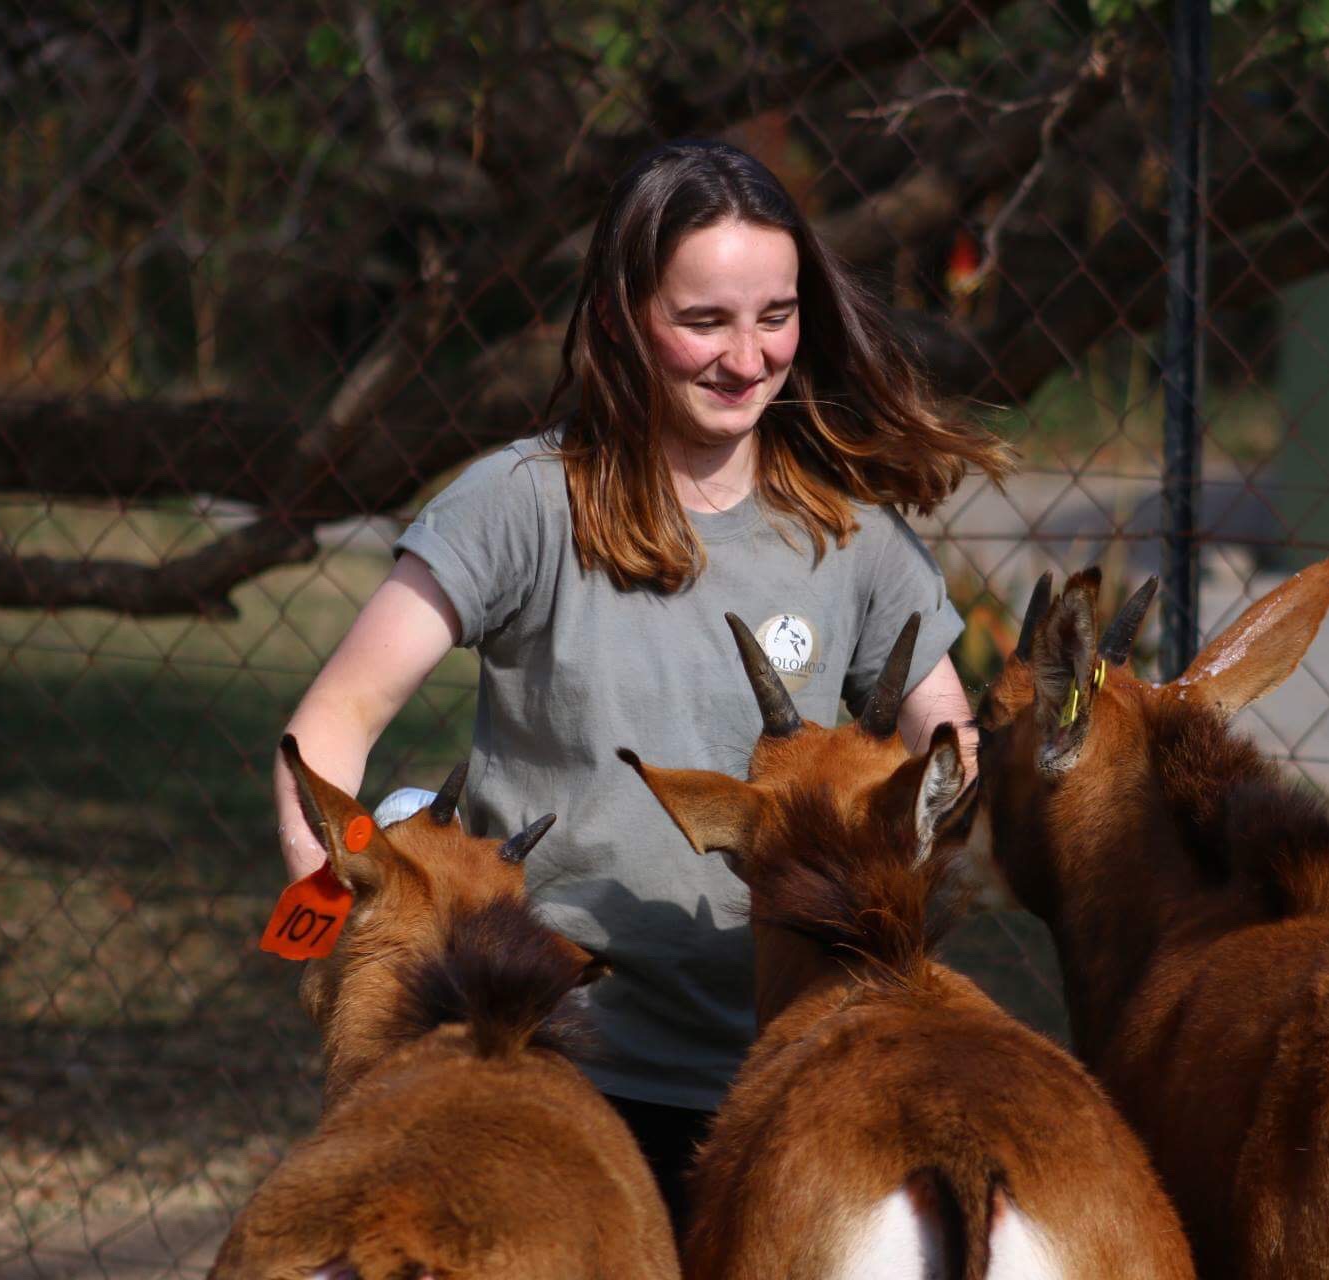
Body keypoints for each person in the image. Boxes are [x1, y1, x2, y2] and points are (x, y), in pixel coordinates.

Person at [273, 138, 1011, 1219]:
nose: (748, 356)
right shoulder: (520, 503)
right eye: (704, 321)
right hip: (550, 1061)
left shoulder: (853, 539)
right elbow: (333, 719)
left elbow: (947, 746)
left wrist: (921, 811)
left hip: (781, 1078)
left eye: (776, 315)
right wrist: (338, 914)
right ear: (620, 316)